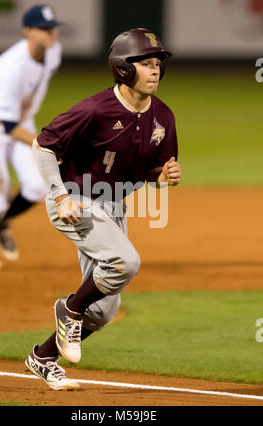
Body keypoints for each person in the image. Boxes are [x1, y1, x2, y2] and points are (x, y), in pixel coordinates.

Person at [25, 28, 182, 391]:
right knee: (124, 262)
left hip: (113, 207)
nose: (155, 70)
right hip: (75, 201)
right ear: (124, 69)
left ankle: (44, 356)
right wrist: (60, 196)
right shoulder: (95, 109)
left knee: (104, 310)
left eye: (158, 63)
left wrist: (164, 176)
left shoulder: (164, 117)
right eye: (145, 63)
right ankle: (69, 310)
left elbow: (151, 172)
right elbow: (43, 147)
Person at [0, 4, 62, 270]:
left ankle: (1, 222)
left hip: (18, 119)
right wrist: (47, 146)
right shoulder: (12, 69)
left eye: (52, 28)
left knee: (37, 188)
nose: (50, 34)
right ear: (27, 31)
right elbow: (7, 126)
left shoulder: (53, 52)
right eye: (43, 29)